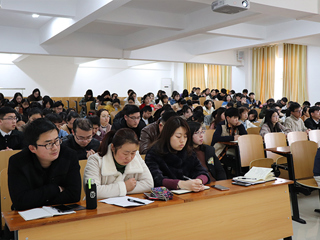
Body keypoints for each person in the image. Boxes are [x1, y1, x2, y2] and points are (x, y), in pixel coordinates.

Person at [8, 118, 81, 211]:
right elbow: (20, 202)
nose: (55, 148)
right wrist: (55, 189)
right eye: (49, 144)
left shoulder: (69, 155)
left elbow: (74, 195)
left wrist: (37, 199)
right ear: (32, 148)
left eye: (56, 141)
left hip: (62, 213)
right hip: (27, 217)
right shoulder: (17, 161)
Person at [84, 129, 153, 199]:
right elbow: (93, 191)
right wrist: (124, 187)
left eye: (133, 153)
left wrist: (117, 190)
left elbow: (149, 184)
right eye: (125, 153)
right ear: (113, 148)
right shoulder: (95, 160)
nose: (129, 158)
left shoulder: (136, 157)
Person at [145, 116, 210, 191]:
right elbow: (156, 179)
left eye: (185, 136)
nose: (182, 140)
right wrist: (182, 184)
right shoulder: (154, 152)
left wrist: (199, 181)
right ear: (168, 135)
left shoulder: (188, 151)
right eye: (178, 137)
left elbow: (202, 171)